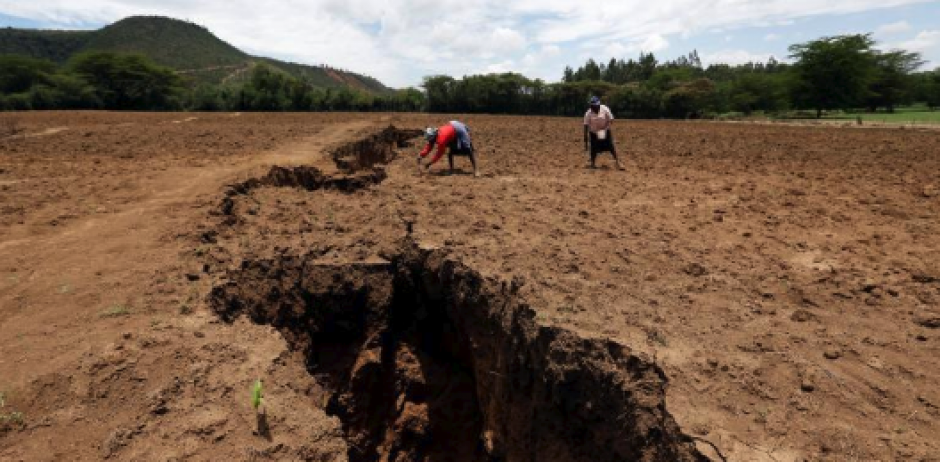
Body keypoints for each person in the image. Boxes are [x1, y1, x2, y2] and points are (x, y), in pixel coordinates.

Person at [583, 96, 625, 170]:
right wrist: (585, 140)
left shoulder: (605, 109)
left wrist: (604, 129)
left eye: (594, 106)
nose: (592, 107)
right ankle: (592, 163)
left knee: (611, 147)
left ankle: (618, 163)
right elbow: (586, 125)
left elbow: (611, 119)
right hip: (594, 133)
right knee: (593, 148)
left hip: (605, 131)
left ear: (598, 105)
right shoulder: (588, 113)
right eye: (591, 106)